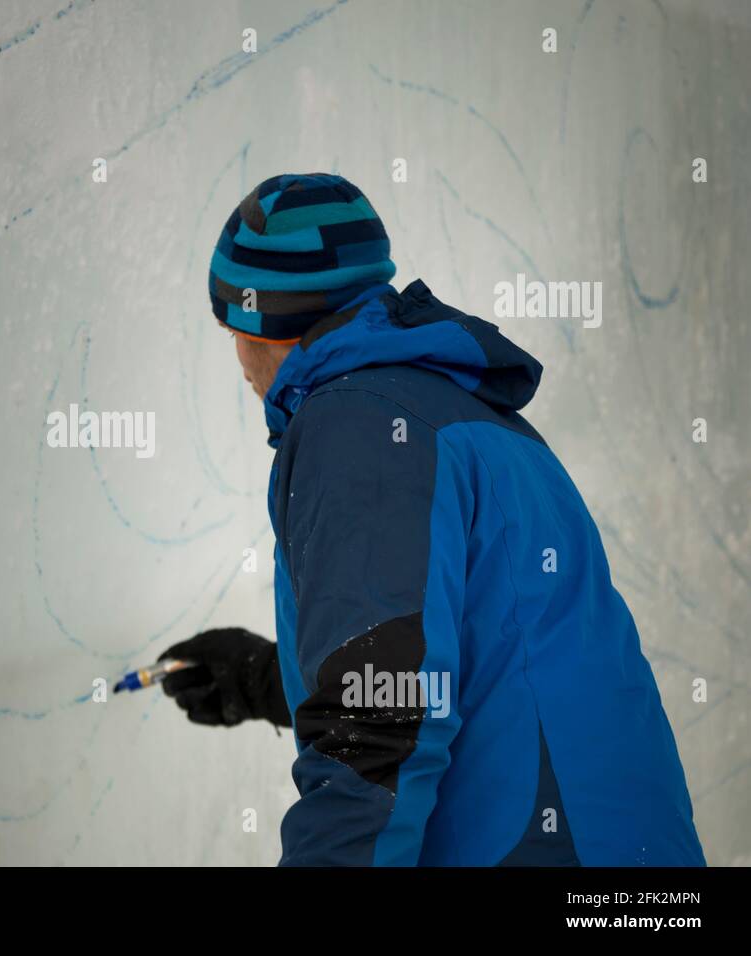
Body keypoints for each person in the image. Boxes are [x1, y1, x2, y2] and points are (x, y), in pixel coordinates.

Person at [159, 173, 705, 866]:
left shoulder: (356, 427)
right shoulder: (468, 417)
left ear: (261, 323)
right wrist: (265, 678)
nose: (235, 358)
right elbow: (456, 648)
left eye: (230, 327)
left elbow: (380, 721)